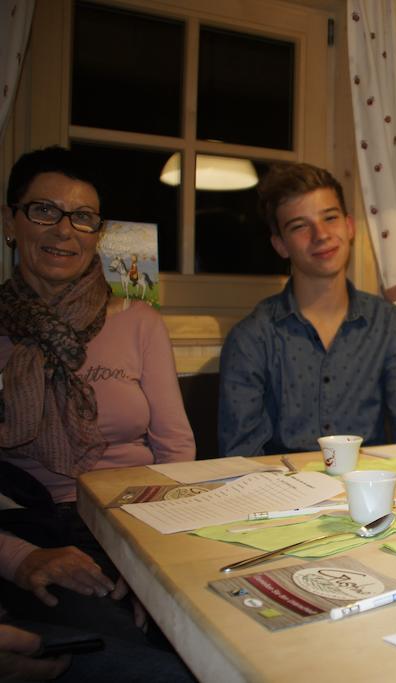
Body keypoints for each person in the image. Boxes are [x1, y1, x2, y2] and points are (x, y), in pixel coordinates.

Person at [0, 146, 196, 679]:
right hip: (36, 528)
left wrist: (150, 558)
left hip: (137, 517)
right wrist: (20, 559)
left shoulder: (139, 321)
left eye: (83, 217)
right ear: (11, 223)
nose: (64, 231)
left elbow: (176, 451)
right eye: (44, 211)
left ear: (98, 234)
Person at [218, 162, 396, 456]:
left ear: (350, 226)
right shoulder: (251, 338)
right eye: (300, 226)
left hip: (373, 492)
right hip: (284, 495)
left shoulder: (391, 325)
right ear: (280, 245)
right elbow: (241, 461)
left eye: (330, 218)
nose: (321, 235)